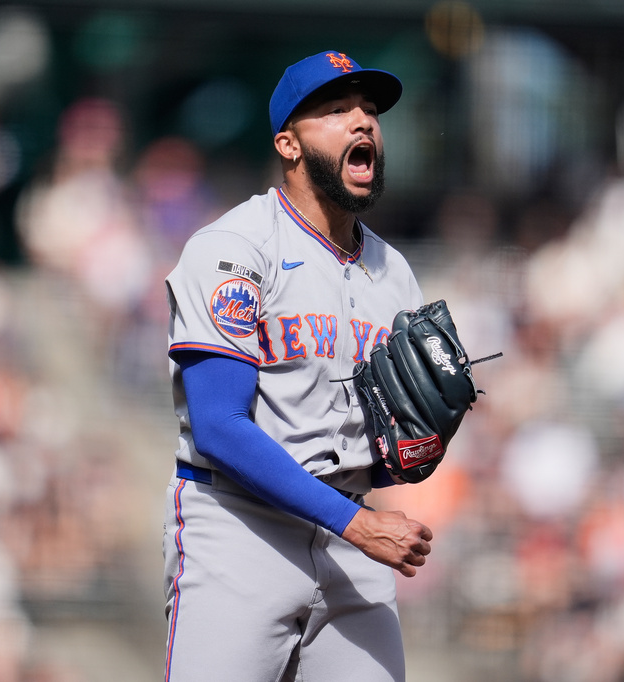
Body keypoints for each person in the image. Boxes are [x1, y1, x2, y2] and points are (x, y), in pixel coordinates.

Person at [161, 50, 433, 682]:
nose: (363, 122)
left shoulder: (395, 273)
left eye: (370, 110)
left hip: (354, 535)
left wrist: (422, 442)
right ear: (289, 144)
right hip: (239, 528)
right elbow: (219, 426)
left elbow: (398, 434)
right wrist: (358, 525)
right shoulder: (234, 248)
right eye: (337, 111)